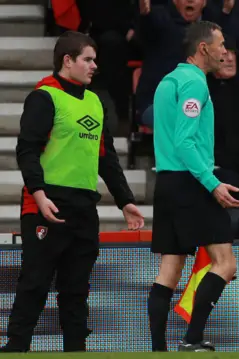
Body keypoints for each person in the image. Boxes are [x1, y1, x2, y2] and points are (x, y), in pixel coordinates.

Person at [1, 31, 145, 353]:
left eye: (95, 60)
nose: (95, 66)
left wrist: (126, 202)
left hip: (83, 207)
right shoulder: (44, 96)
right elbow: (27, 150)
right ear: (67, 61)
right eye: (88, 59)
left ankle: (76, 350)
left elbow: (106, 158)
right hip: (47, 203)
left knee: (77, 289)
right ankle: (15, 348)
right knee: (35, 283)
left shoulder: (94, 101)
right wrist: (38, 195)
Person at [146, 21, 239, 353]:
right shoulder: (194, 84)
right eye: (221, 45)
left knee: (169, 270)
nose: (226, 52)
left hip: (167, 182)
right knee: (225, 263)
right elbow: (186, 143)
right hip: (191, 182)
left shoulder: (167, 81)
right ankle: (193, 338)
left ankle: (159, 349)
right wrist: (212, 184)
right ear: (204, 49)